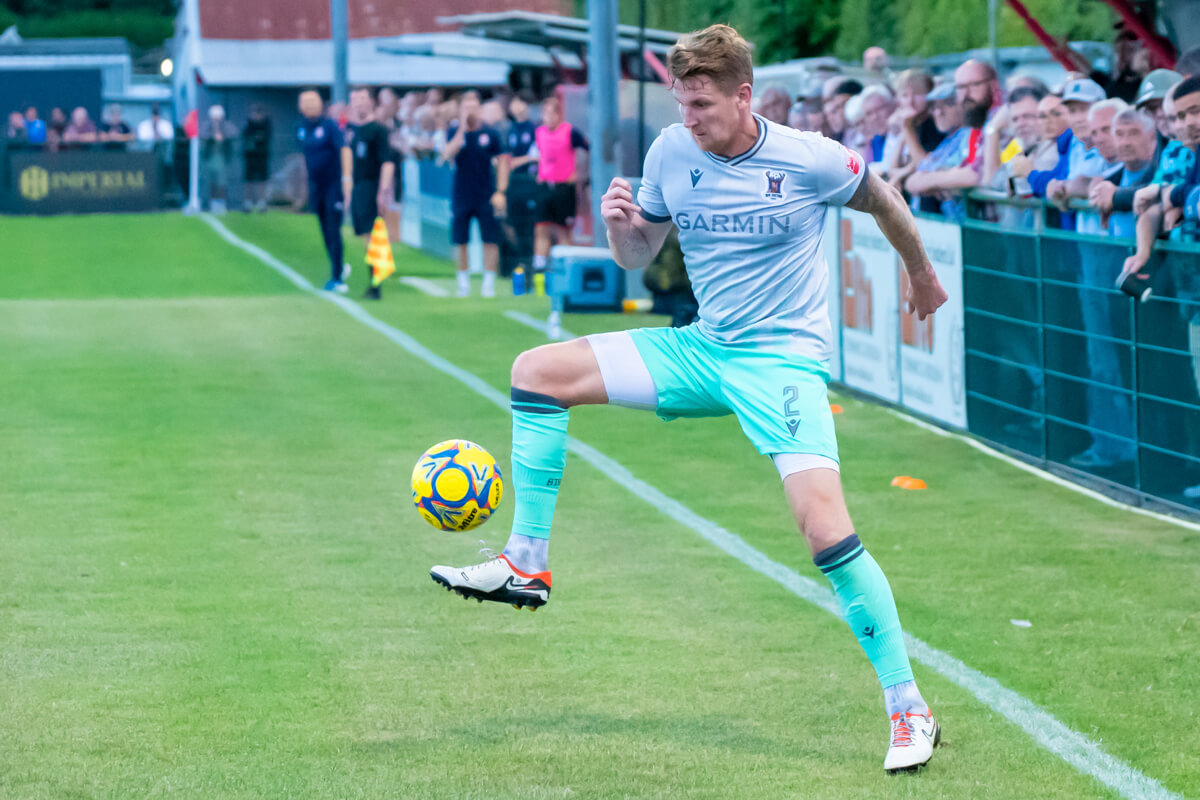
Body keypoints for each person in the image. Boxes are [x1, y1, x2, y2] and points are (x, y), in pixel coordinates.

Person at [430, 23, 949, 775]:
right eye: (682, 102)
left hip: (781, 365)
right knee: (537, 370)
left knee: (823, 532)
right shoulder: (671, 151)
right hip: (703, 351)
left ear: (744, 96)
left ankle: (909, 709)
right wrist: (621, 231)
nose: (689, 117)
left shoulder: (808, 157)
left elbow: (885, 202)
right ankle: (527, 563)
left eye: (702, 103)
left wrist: (922, 275)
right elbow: (641, 258)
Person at [441, 89, 506, 298]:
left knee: (490, 239)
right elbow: (447, 154)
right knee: (461, 240)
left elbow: (503, 161)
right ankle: (463, 282)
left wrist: (500, 191)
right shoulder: (454, 132)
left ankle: (488, 282)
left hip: (485, 193)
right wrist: (461, 125)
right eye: (466, 105)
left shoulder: (490, 133)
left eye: (473, 104)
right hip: (461, 193)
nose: (470, 108)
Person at [342, 87, 396, 299]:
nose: (359, 103)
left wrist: (382, 190)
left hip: (370, 186)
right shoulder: (350, 130)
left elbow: (387, 162)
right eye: (355, 99)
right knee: (366, 234)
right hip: (356, 187)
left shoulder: (378, 130)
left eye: (363, 99)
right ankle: (375, 279)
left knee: (373, 235)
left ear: (371, 102)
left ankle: (377, 283)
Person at [530, 95, 590, 284]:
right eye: (544, 113)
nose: (547, 117)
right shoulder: (539, 133)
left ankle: (566, 272)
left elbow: (588, 149)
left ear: (558, 114)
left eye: (550, 113)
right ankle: (539, 271)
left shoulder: (569, 132)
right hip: (545, 186)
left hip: (564, 188)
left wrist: (579, 173)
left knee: (563, 231)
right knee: (541, 229)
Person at [297, 89, 349, 293]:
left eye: (313, 101)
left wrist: (346, 179)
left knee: (333, 229)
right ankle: (338, 266)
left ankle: (337, 277)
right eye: (306, 102)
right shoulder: (301, 127)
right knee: (324, 230)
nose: (310, 105)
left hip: (332, 185)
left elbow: (343, 149)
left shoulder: (330, 126)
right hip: (315, 186)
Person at [503, 90, 540, 278]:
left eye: (519, 102)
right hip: (512, 184)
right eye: (514, 102)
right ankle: (519, 261)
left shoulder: (534, 129)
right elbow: (504, 158)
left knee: (530, 226)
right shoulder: (509, 129)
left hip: (529, 184)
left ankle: (531, 264)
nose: (515, 107)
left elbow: (537, 157)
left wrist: (520, 161)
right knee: (511, 224)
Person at [200, 105, 237, 213]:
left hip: (223, 159)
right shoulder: (207, 126)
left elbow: (234, 133)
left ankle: (221, 203)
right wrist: (213, 135)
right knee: (211, 181)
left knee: (222, 182)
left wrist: (223, 135)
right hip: (210, 158)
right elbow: (202, 134)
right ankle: (212, 203)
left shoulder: (226, 126)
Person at [242, 104, 272, 213]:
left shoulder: (266, 124)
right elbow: (245, 135)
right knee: (249, 180)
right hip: (250, 156)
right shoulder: (248, 123)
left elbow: (266, 136)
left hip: (262, 156)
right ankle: (248, 202)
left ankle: (261, 202)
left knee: (262, 180)